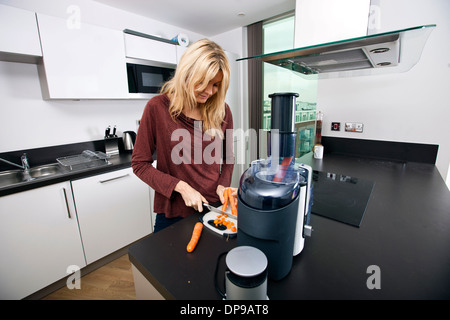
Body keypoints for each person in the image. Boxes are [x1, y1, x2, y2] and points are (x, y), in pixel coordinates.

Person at [132, 39, 235, 233]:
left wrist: (223, 186)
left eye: (216, 85)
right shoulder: (157, 107)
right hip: (172, 212)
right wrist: (181, 187)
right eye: (204, 83)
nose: (210, 91)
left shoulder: (222, 111)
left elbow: (228, 158)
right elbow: (140, 164)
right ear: (187, 73)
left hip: (212, 207)